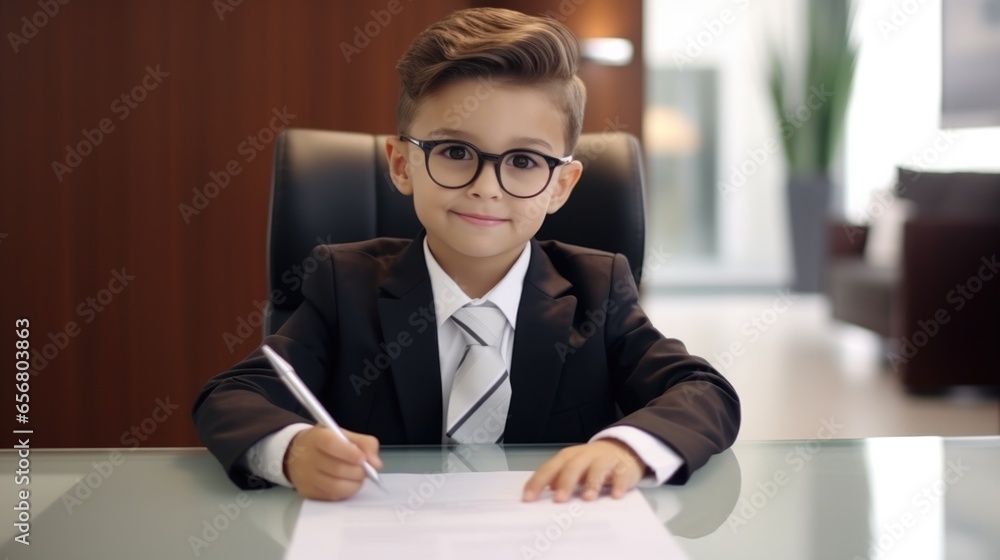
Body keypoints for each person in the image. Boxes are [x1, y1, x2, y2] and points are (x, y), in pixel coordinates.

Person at [192, 7, 740, 504]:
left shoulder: (599, 290)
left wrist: (628, 448)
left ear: (561, 185)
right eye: (455, 151)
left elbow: (704, 393)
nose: (486, 187)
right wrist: (292, 449)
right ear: (402, 165)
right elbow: (230, 396)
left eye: (523, 161)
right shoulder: (344, 286)